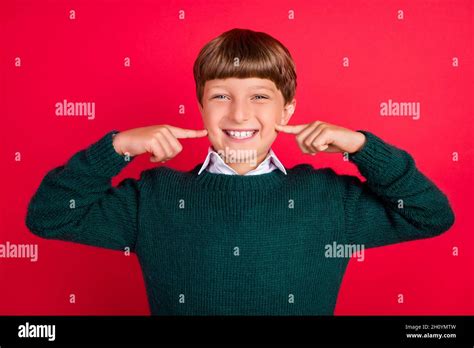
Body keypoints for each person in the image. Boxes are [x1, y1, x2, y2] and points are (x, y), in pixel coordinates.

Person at [26, 28, 455, 315]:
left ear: (288, 109)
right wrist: (116, 148)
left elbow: (431, 215)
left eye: (259, 96)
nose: (239, 113)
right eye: (220, 96)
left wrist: (363, 147)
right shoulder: (155, 196)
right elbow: (48, 216)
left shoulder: (328, 198)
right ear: (200, 107)